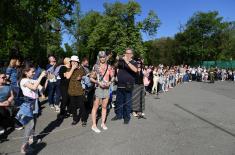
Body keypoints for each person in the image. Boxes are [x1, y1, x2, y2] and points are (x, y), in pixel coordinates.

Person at [16, 63, 46, 154]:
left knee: (34, 122)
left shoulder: (32, 80)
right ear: (26, 72)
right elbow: (33, 87)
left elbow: (42, 89)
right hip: (27, 104)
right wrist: (40, 76)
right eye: (32, 72)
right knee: (29, 126)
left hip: (35, 103)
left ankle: (31, 138)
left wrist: (48, 79)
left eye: (34, 72)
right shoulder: (23, 81)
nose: (34, 73)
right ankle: (23, 147)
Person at [111, 48, 137, 124]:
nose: (127, 55)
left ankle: (127, 117)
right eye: (126, 53)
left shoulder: (134, 62)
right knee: (119, 101)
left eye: (129, 53)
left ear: (132, 55)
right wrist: (117, 59)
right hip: (120, 85)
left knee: (127, 103)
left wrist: (126, 61)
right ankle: (119, 115)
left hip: (128, 86)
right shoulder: (121, 62)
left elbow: (135, 70)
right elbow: (115, 65)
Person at [90, 51, 114, 133]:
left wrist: (110, 82)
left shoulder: (109, 66)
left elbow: (113, 77)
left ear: (105, 57)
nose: (102, 58)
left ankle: (103, 123)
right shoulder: (96, 66)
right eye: (101, 57)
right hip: (98, 88)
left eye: (104, 57)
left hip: (107, 88)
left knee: (104, 106)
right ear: (99, 58)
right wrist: (98, 82)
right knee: (95, 107)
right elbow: (91, 78)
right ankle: (94, 125)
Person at [68, 55, 87, 126]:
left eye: (74, 61)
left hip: (79, 91)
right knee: (73, 107)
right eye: (72, 61)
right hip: (71, 91)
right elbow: (67, 76)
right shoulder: (69, 69)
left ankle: (84, 120)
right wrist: (72, 68)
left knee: (82, 106)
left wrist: (81, 77)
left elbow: (83, 75)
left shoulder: (81, 69)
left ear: (77, 62)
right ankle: (75, 119)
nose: (73, 63)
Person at [0, 71, 14, 135]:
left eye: (5, 77)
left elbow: (12, 95)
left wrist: (8, 101)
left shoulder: (8, 86)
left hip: (6, 104)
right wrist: (1, 104)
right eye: (3, 77)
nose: (5, 78)